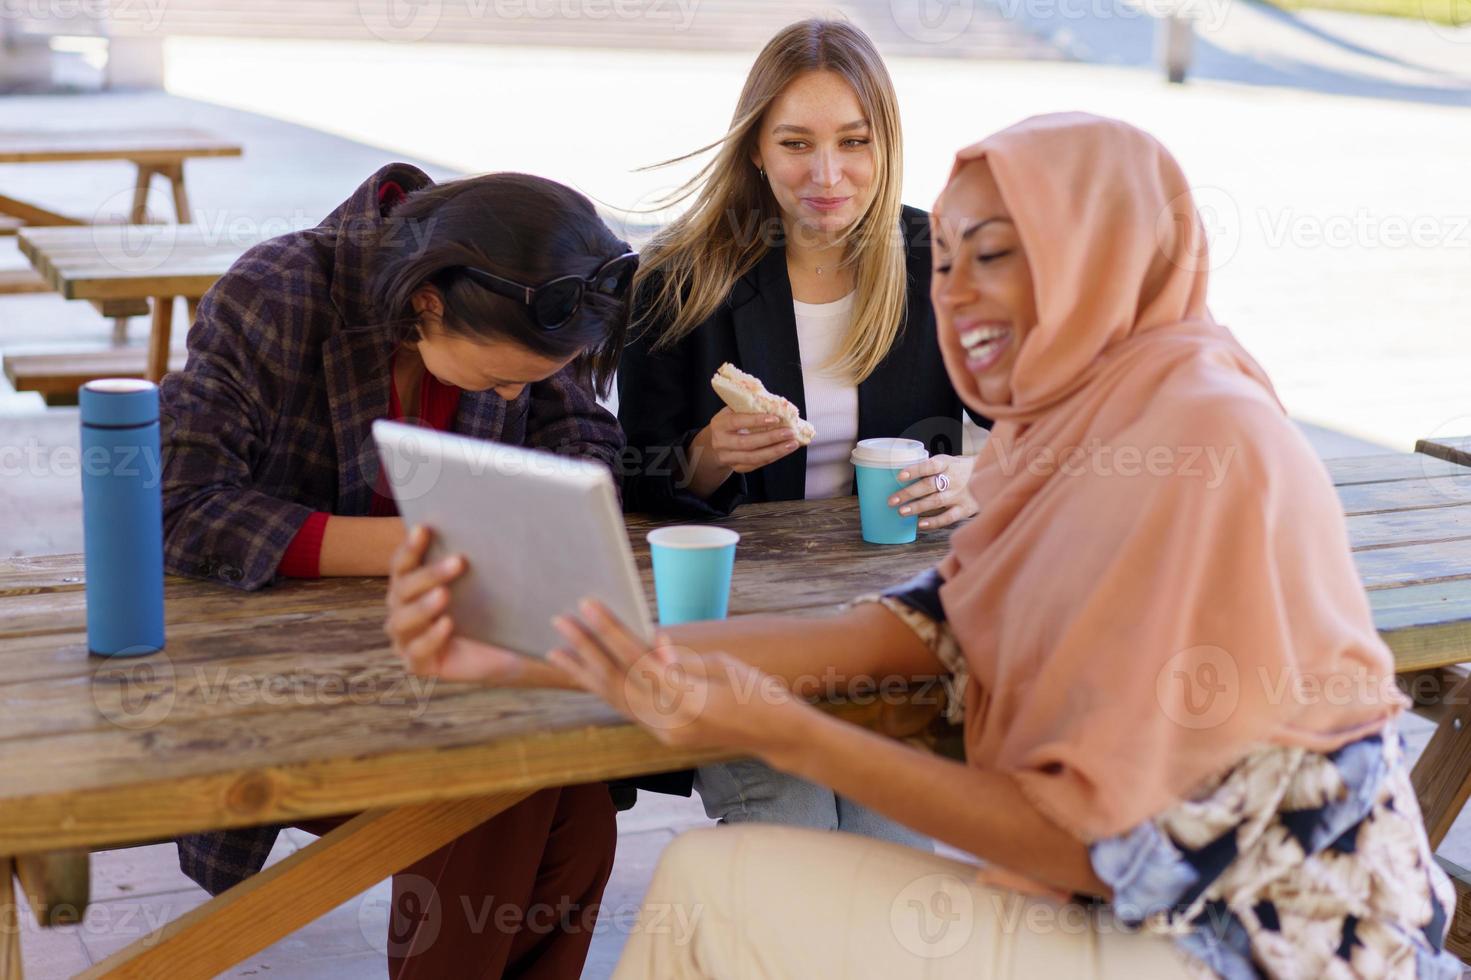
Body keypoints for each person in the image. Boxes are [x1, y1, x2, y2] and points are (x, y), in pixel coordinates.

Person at [386, 114, 1461, 978]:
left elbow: (1094, 845)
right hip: (1160, 916)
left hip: (1256, 942)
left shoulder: (1199, 433)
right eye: (942, 259)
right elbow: (915, 631)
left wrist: (786, 733)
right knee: (723, 889)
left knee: (718, 894)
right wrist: (558, 648)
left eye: (996, 257)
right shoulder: (1075, 421)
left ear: (1103, 258)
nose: (955, 295)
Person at [160, 164, 631, 978]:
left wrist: (559, 511)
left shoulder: (523, 302)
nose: (518, 396)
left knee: (579, 809)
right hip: (279, 672)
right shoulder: (278, 293)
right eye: (502, 380)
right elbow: (181, 504)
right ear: (426, 303)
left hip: (455, 660)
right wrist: (425, 547)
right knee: (495, 792)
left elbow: (585, 439)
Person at [617, 17, 986, 845]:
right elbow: (630, 475)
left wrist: (976, 477)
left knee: (886, 846)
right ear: (754, 148)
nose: (827, 175)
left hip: (894, 617)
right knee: (790, 837)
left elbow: (1051, 416)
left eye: (853, 141)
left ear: (886, 141)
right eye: (795, 144)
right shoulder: (681, 273)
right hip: (747, 626)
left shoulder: (939, 256)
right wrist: (708, 457)